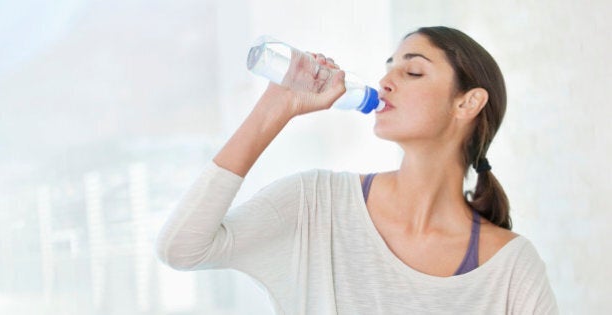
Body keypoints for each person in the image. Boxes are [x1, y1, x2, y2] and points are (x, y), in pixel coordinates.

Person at [154, 26, 558, 314]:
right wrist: (274, 109)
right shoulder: (316, 204)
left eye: (412, 71)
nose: (385, 81)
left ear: (467, 104)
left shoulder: (510, 267)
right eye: (389, 67)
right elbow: (181, 249)